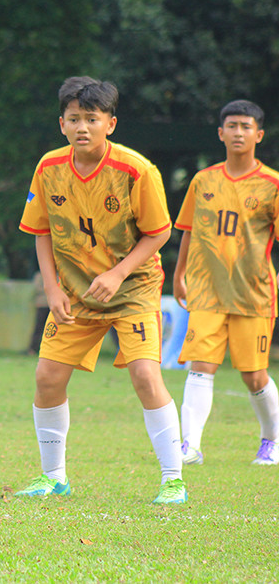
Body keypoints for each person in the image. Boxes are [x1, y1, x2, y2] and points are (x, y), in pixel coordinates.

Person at [15, 76, 186, 504]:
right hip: (74, 292)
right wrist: (52, 289)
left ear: (110, 122)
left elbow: (158, 234)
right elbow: (39, 232)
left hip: (133, 289)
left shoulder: (137, 170)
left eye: (91, 118)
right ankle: (54, 477)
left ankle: (173, 479)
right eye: (74, 119)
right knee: (47, 377)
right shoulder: (48, 168)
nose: (82, 127)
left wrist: (116, 275)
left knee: (146, 375)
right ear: (61, 124)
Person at [172, 99, 279, 466]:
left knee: (253, 375)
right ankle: (191, 446)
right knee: (201, 365)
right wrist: (179, 273)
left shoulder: (272, 184)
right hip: (207, 290)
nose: (238, 132)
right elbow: (187, 229)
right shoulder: (204, 180)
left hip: (253, 294)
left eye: (245, 127)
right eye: (231, 126)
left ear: (258, 135)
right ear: (220, 133)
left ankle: (272, 440)